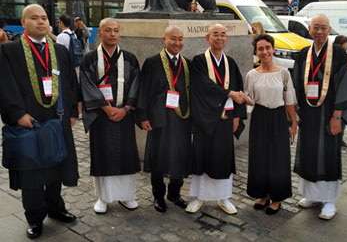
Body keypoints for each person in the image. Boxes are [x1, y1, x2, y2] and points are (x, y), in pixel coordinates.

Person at [0, 4, 79, 239]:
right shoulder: (9, 52)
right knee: (32, 173)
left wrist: (72, 111)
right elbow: (4, 86)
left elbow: (69, 83)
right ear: (24, 22)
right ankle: (34, 217)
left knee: (56, 167)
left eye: (44, 17)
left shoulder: (59, 50)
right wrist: (17, 114)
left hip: (57, 118)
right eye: (34, 18)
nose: (41, 22)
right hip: (28, 121)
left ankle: (56, 207)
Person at [292, 14, 347, 220]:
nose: (319, 32)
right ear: (309, 29)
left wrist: (338, 116)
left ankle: (328, 200)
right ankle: (312, 196)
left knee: (327, 155)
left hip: (329, 114)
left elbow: (345, 84)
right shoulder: (303, 54)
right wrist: (297, 110)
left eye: (324, 28)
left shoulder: (338, 54)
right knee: (309, 152)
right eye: (316, 27)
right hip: (309, 114)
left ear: (329, 30)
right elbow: (296, 83)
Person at [80, 18, 141, 214]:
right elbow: (86, 85)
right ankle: (104, 198)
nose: (113, 34)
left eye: (116, 30)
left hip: (124, 115)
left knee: (126, 156)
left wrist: (126, 108)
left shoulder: (130, 58)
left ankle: (126, 196)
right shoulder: (89, 59)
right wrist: (106, 108)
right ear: (100, 31)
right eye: (108, 30)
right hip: (101, 117)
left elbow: (136, 85)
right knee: (103, 156)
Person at [185, 24, 247, 215]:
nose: (219, 38)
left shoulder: (231, 62)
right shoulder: (199, 61)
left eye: (223, 35)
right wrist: (228, 93)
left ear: (226, 39)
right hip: (205, 119)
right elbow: (203, 87)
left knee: (223, 158)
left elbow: (240, 90)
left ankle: (224, 197)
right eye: (215, 35)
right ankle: (199, 197)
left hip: (226, 119)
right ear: (207, 38)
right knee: (202, 157)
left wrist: (237, 115)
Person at [136, 25, 191, 213]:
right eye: (173, 38)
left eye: (180, 39)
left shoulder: (187, 64)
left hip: (181, 118)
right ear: (164, 40)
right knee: (158, 157)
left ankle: (174, 193)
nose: (177, 43)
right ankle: (158, 196)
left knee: (180, 156)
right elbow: (143, 90)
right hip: (159, 118)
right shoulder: (152, 63)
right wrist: (142, 116)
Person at [245, 34, 297, 214]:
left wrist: (294, 123)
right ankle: (262, 194)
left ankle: (277, 197)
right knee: (259, 157)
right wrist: (239, 98)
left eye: (268, 47)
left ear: (273, 49)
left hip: (278, 117)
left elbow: (289, 98)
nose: (265, 52)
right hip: (259, 117)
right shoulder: (251, 75)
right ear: (256, 52)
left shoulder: (283, 73)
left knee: (278, 157)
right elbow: (250, 99)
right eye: (260, 49)